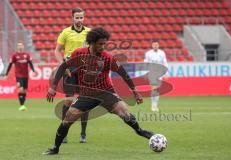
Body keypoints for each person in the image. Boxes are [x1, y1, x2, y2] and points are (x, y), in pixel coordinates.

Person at [43, 27, 155, 155]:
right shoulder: (79, 53)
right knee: (68, 118)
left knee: (125, 114)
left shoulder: (108, 58)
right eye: (100, 44)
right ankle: (55, 148)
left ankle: (140, 130)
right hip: (87, 94)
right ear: (92, 42)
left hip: (106, 92)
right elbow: (63, 65)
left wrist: (135, 91)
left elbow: (123, 73)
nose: (103, 46)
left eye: (104, 44)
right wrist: (53, 87)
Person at [55, 8, 91, 143]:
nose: (79, 20)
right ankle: (63, 132)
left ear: (84, 18)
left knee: (85, 102)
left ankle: (83, 133)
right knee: (69, 101)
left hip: (84, 71)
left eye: (81, 18)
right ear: (72, 18)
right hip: (69, 69)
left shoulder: (89, 32)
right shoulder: (65, 32)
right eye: (77, 17)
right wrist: (62, 65)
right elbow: (57, 51)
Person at [4, 42, 35, 111]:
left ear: (23, 47)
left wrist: (33, 70)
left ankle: (23, 105)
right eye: (18, 46)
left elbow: (30, 63)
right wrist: (6, 74)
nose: (20, 47)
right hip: (18, 75)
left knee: (24, 90)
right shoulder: (14, 55)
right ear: (17, 47)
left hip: (26, 75)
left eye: (21, 45)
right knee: (20, 89)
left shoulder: (27, 55)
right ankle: (21, 105)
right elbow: (10, 65)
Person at [144, 40, 168, 112]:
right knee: (154, 88)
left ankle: (155, 104)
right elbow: (145, 63)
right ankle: (153, 105)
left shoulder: (162, 53)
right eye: (154, 45)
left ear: (158, 45)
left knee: (157, 89)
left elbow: (165, 62)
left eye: (156, 45)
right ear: (152, 46)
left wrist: (166, 73)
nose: (155, 46)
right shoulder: (148, 53)